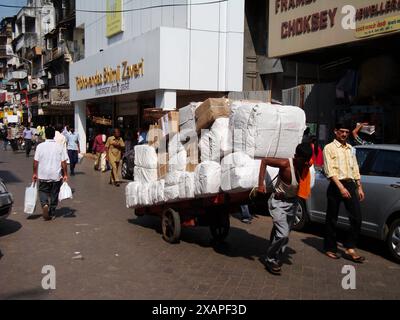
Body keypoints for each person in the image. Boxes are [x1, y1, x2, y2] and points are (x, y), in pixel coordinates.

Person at [257, 143, 313, 275]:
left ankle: (275, 255)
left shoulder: (306, 165)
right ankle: (270, 259)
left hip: (293, 203)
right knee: (282, 234)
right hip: (278, 203)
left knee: (284, 233)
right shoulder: (285, 164)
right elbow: (264, 161)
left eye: (307, 160)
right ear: (295, 157)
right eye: (303, 160)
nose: (306, 163)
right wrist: (261, 184)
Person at [323, 123, 365, 263]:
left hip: (350, 184)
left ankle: (350, 247)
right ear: (336, 131)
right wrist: (341, 188)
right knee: (332, 218)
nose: (345, 134)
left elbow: (355, 168)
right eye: (342, 131)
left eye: (347, 132)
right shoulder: (329, 148)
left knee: (357, 217)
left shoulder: (350, 148)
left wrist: (359, 186)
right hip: (336, 185)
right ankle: (330, 247)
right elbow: (330, 170)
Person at [33, 126, 68, 221]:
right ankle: (51, 211)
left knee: (42, 191)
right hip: (56, 175)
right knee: (54, 193)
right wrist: (65, 174)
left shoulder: (40, 146)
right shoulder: (59, 147)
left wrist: (35, 173)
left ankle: (45, 204)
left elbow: (36, 162)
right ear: (53, 135)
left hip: (43, 174)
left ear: (45, 135)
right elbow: (63, 163)